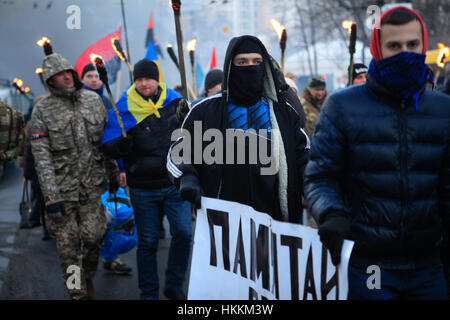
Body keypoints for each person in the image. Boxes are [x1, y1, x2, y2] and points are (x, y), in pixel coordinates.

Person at [304, 6, 450, 300]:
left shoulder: (443, 109)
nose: (404, 53)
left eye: (412, 45)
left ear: (424, 47)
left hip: (429, 265)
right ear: (378, 50)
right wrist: (330, 212)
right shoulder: (342, 107)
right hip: (370, 264)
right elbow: (319, 177)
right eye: (394, 46)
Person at [167, 35, 310, 224]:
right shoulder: (206, 111)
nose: (250, 67)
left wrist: (310, 189)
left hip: (275, 222)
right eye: (242, 62)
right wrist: (187, 177)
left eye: (256, 61)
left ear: (264, 66)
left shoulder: (283, 113)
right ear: (231, 67)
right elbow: (178, 152)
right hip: (223, 221)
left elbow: (305, 156)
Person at [31, 50, 119, 300]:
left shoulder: (93, 102)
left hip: (92, 188)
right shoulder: (43, 110)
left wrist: (113, 172)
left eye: (68, 71)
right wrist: (51, 197)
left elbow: (106, 142)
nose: (66, 77)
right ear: (50, 81)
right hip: (61, 192)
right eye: (59, 74)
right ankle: (77, 294)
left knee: (94, 237)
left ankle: (87, 275)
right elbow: (42, 157)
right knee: (68, 251)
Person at [101, 58, 192, 300]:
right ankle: (148, 293)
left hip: (175, 183)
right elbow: (107, 146)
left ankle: (174, 284)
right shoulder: (124, 108)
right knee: (148, 242)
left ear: (157, 79)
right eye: (139, 79)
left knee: (184, 233)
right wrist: (119, 147)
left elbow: (195, 132)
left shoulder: (176, 101)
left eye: (148, 78)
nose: (143, 83)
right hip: (142, 187)